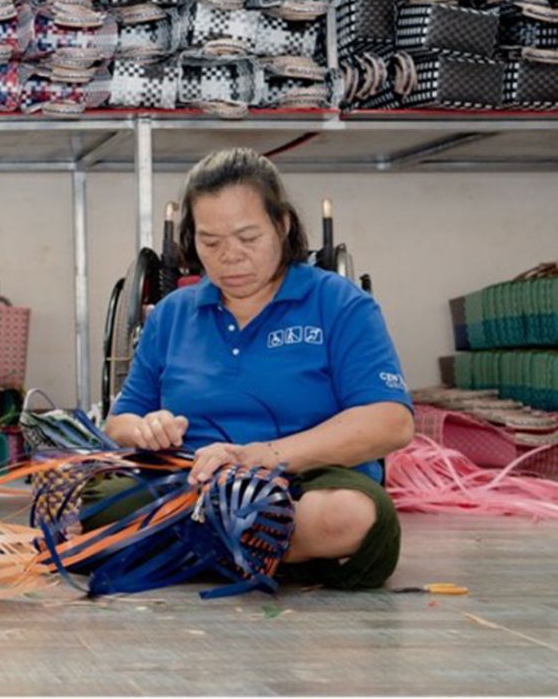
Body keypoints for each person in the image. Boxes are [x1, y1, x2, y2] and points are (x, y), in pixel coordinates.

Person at [98, 147, 414, 590]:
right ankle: (249, 547)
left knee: (349, 515)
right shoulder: (172, 313)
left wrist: (263, 456)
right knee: (88, 505)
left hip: (304, 480)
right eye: (211, 242)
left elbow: (391, 422)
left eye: (248, 238)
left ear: (281, 226)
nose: (230, 256)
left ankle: (200, 546)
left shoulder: (339, 304)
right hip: (193, 483)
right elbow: (120, 422)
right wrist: (147, 429)